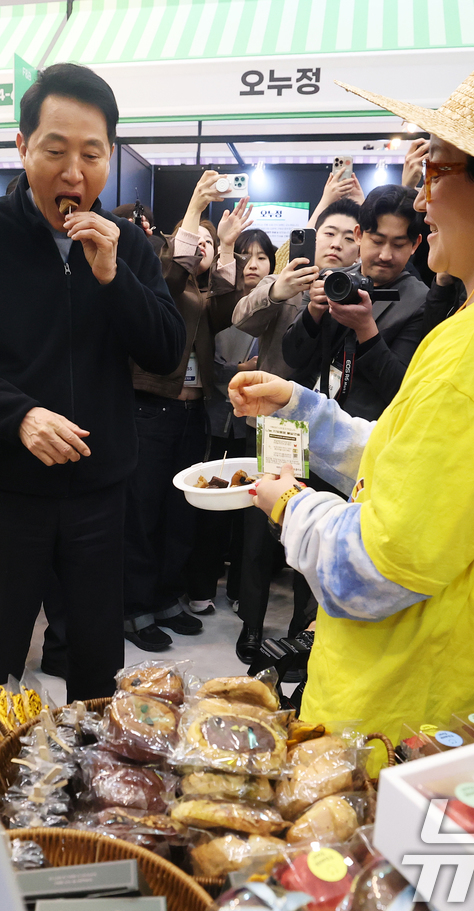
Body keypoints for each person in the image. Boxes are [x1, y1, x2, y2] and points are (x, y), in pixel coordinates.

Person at [230, 45, 474, 750]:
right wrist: (303, 408)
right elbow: (424, 472)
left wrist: (288, 501)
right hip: (466, 686)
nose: (419, 197)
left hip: (402, 716)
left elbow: (371, 571)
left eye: (437, 169)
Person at [0, 63, 184, 702]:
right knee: (1, 652)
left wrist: (115, 277)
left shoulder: (129, 245)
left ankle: (94, 782)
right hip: (4, 488)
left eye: (92, 154)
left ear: (110, 157)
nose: (73, 172)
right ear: (22, 147)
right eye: (55, 150)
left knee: (96, 657)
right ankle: (2, 777)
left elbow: (166, 351)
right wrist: (20, 417)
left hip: (99, 488)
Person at [227, 198, 364, 661]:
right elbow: (240, 318)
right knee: (259, 533)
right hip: (276, 427)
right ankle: (251, 624)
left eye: (349, 237)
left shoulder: (358, 290)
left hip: (337, 435)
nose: (338, 244)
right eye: (330, 234)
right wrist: (279, 289)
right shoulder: (284, 278)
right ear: (313, 235)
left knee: (321, 522)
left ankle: (304, 632)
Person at [122, 171, 251, 651]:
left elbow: (227, 312)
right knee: (143, 514)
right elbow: (170, 278)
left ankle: (165, 598)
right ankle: (134, 608)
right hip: (150, 410)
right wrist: (196, 210)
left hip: (189, 416)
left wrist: (230, 249)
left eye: (207, 244)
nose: (202, 249)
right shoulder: (160, 274)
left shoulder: (197, 288)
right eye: (197, 241)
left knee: (179, 514)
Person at [281, 185, 430, 421]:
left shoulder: (420, 301)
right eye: (378, 240)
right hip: (306, 422)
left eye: (398, 244)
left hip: (363, 435)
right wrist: (312, 314)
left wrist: (366, 330)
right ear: (359, 234)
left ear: (415, 244)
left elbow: (400, 391)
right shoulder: (331, 280)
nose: (385, 255)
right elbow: (292, 358)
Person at [184, 226, 271, 616]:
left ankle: (239, 589)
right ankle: (202, 586)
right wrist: (242, 369)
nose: (252, 265)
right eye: (245, 257)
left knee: (252, 511)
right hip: (218, 419)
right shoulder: (218, 303)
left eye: (262, 257)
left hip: (257, 427)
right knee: (213, 505)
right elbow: (210, 368)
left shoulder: (279, 304)